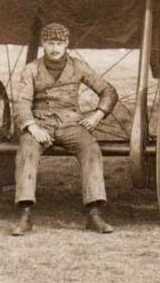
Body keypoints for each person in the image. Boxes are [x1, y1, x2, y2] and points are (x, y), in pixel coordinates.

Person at [10, 22, 120, 236]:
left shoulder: (78, 67)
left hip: (71, 124)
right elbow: (22, 103)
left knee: (91, 149)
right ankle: (25, 214)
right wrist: (32, 127)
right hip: (40, 124)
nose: (55, 48)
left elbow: (108, 91)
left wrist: (97, 115)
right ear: (43, 43)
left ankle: (94, 214)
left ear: (67, 44)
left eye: (59, 43)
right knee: (27, 151)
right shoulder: (31, 70)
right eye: (50, 43)